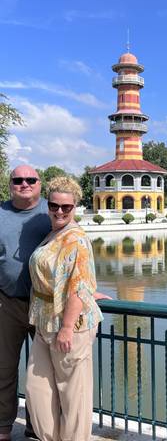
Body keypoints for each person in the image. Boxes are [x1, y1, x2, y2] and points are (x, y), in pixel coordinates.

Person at [26, 176, 108, 441]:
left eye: (66, 207)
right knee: (37, 391)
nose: (59, 211)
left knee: (74, 398)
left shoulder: (77, 240)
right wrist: (87, 289)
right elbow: (68, 277)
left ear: (75, 207)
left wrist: (67, 327)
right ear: (47, 205)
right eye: (54, 206)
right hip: (43, 320)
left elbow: (77, 287)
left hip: (69, 327)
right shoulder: (54, 233)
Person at [0, 165, 51, 441]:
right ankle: (3, 428)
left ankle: (36, 429)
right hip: (7, 302)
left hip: (44, 305)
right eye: (18, 180)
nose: (24, 184)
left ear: (39, 183)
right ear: (10, 184)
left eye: (30, 179)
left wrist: (87, 290)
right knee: (4, 368)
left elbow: (75, 250)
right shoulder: (0, 214)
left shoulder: (52, 212)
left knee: (41, 373)